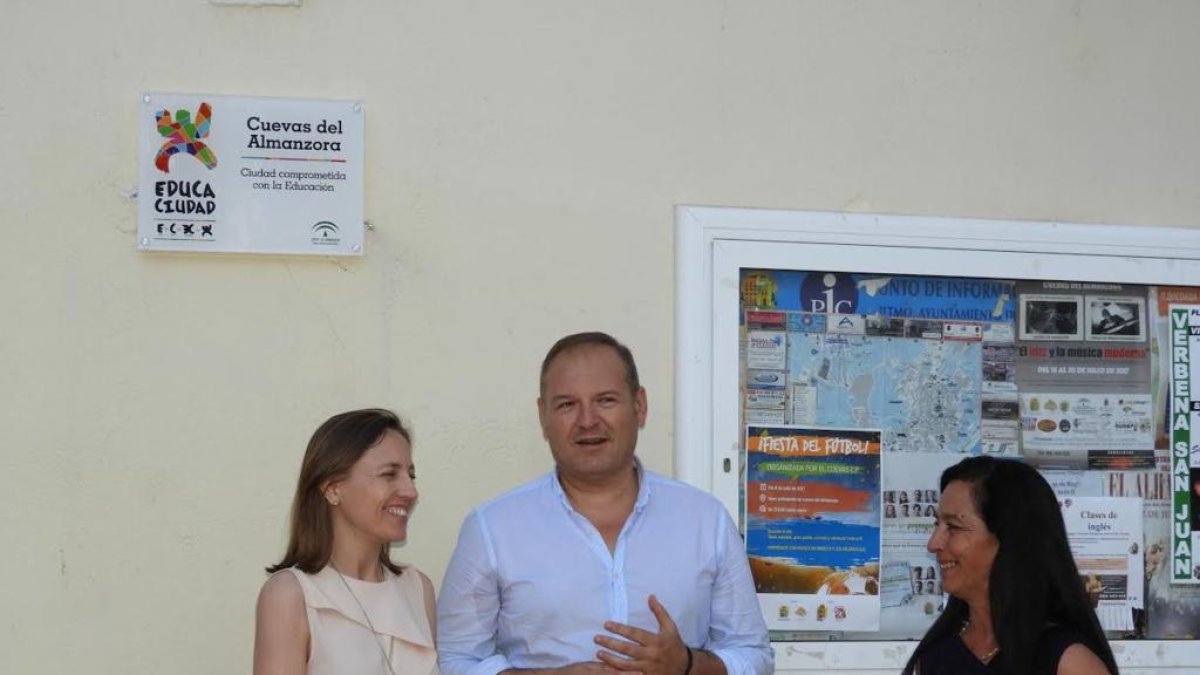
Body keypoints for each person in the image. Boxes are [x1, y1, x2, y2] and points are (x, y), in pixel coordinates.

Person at [437, 332, 773, 675]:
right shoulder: (492, 528)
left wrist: (686, 665)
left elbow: (753, 656)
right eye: (567, 404)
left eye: (606, 400)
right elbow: (458, 661)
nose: (587, 421)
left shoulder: (706, 520)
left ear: (639, 406)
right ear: (543, 415)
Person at [253, 409, 437, 675]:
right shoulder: (291, 596)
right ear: (332, 488)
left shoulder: (418, 590)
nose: (410, 491)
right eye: (388, 474)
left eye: (411, 475)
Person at [902, 456, 1118, 675]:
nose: (933, 544)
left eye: (954, 527)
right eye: (937, 524)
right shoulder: (935, 657)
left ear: (1009, 539)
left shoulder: (1069, 661)